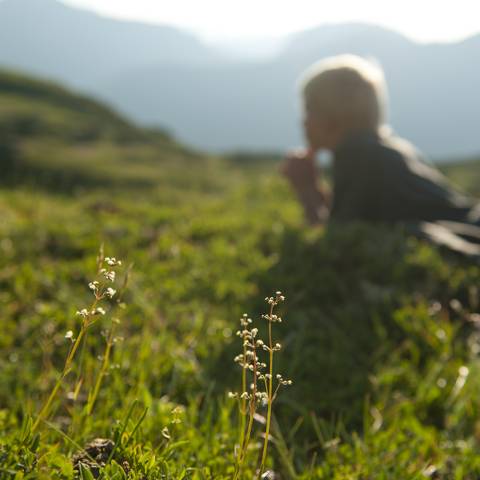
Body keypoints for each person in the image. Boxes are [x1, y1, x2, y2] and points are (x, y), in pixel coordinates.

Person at [282, 54, 480, 255]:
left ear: (334, 118)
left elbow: (339, 235)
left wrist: (307, 190)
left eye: (309, 109)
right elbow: (356, 212)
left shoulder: (356, 154)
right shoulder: (385, 148)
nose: (303, 121)